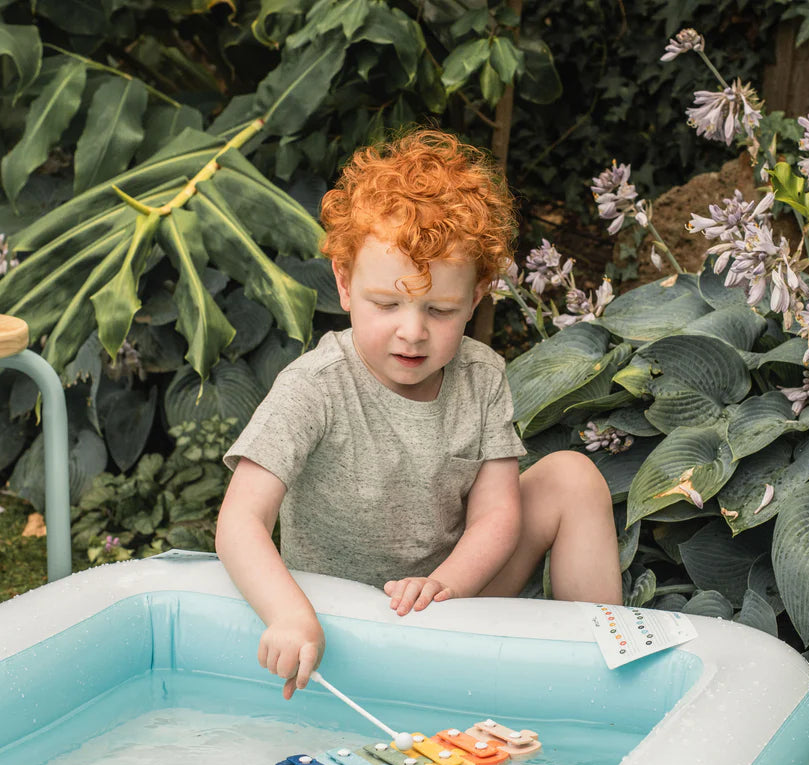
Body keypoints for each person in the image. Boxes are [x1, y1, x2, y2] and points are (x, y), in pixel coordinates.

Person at [216, 129, 622, 700]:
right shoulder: (314, 386)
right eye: (387, 304)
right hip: (343, 617)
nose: (412, 331)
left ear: (476, 298)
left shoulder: (480, 374)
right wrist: (288, 615)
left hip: (454, 595)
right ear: (344, 284)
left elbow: (497, 515)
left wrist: (444, 586)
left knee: (573, 478)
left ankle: (600, 665)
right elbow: (238, 523)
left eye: (440, 309)